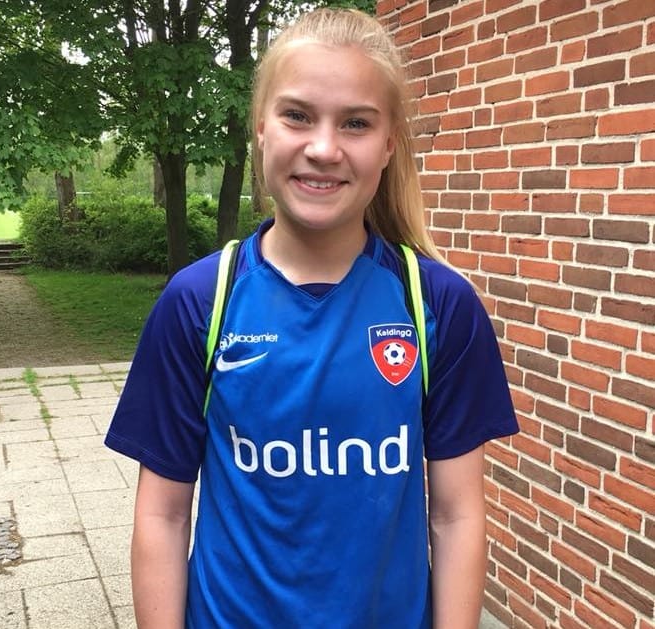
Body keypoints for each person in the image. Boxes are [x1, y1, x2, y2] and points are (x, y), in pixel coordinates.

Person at [105, 7, 519, 629]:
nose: (323, 149)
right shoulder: (198, 302)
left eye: (356, 123)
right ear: (260, 128)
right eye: (297, 115)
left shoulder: (438, 305)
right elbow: (162, 515)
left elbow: (456, 516)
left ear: (388, 144)